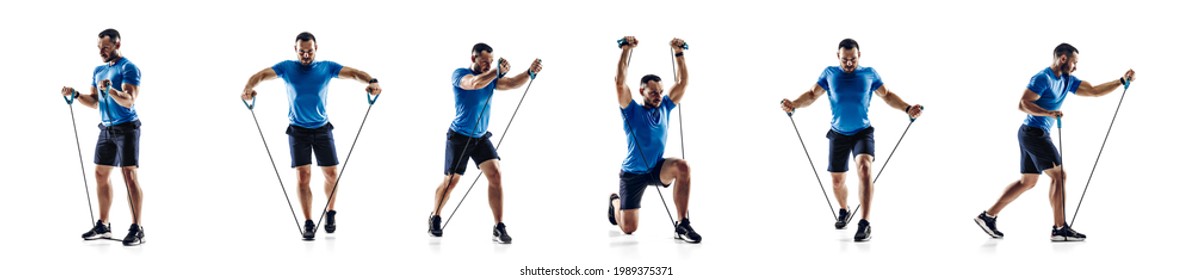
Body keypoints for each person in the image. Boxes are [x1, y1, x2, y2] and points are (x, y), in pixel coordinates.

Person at [974, 43, 1135, 241]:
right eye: (1074, 62)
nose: (1076, 67)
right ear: (1063, 59)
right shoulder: (1043, 78)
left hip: (1032, 133)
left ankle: (988, 216)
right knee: (1059, 175)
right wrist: (1048, 112)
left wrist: (1120, 81)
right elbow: (1023, 103)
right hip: (1034, 133)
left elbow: (1093, 91)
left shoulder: (1067, 80)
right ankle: (1060, 228)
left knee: (1028, 181)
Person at [240, 32, 382, 240]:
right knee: (303, 176)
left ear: (316, 48)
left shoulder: (327, 67)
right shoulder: (287, 68)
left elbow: (353, 73)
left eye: (309, 51)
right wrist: (248, 88)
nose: (305, 55)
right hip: (297, 130)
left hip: (322, 129)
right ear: (295, 50)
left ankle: (330, 213)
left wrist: (372, 81)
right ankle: (308, 222)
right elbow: (260, 76)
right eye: (301, 52)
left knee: (331, 174)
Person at [780, 38, 923, 242]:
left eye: (853, 59)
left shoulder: (869, 74)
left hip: (862, 132)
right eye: (845, 59)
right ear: (837, 55)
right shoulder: (829, 74)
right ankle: (844, 209)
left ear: (859, 56)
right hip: (838, 133)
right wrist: (793, 104)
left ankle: (864, 223)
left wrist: (908, 108)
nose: (849, 63)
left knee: (865, 167)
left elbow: (887, 95)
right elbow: (812, 94)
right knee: (837, 182)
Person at [428, 43, 542, 244]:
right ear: (473, 59)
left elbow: (512, 83)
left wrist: (529, 72)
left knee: (496, 174)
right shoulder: (460, 74)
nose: (487, 65)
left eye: (490, 61)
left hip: (480, 137)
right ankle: (435, 216)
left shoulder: (491, 78)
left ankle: (498, 227)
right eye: (484, 61)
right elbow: (474, 84)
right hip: (460, 136)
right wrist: (496, 71)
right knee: (451, 182)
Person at [606, 36, 701, 243]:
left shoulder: (666, 106)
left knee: (683, 167)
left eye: (660, 92)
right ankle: (615, 202)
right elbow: (620, 82)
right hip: (632, 174)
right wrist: (625, 50)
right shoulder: (631, 111)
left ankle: (682, 224)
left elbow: (683, 82)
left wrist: (678, 52)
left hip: (657, 168)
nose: (658, 96)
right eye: (652, 93)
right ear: (642, 91)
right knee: (629, 228)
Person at [64, 29, 147, 246]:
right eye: (100, 48)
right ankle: (103, 225)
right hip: (106, 129)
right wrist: (76, 95)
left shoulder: (128, 67)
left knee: (128, 175)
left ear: (117, 45)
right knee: (101, 174)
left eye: (106, 48)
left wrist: (111, 91)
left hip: (127, 127)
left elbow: (130, 100)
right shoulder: (98, 70)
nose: (102, 52)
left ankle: (137, 228)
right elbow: (94, 102)